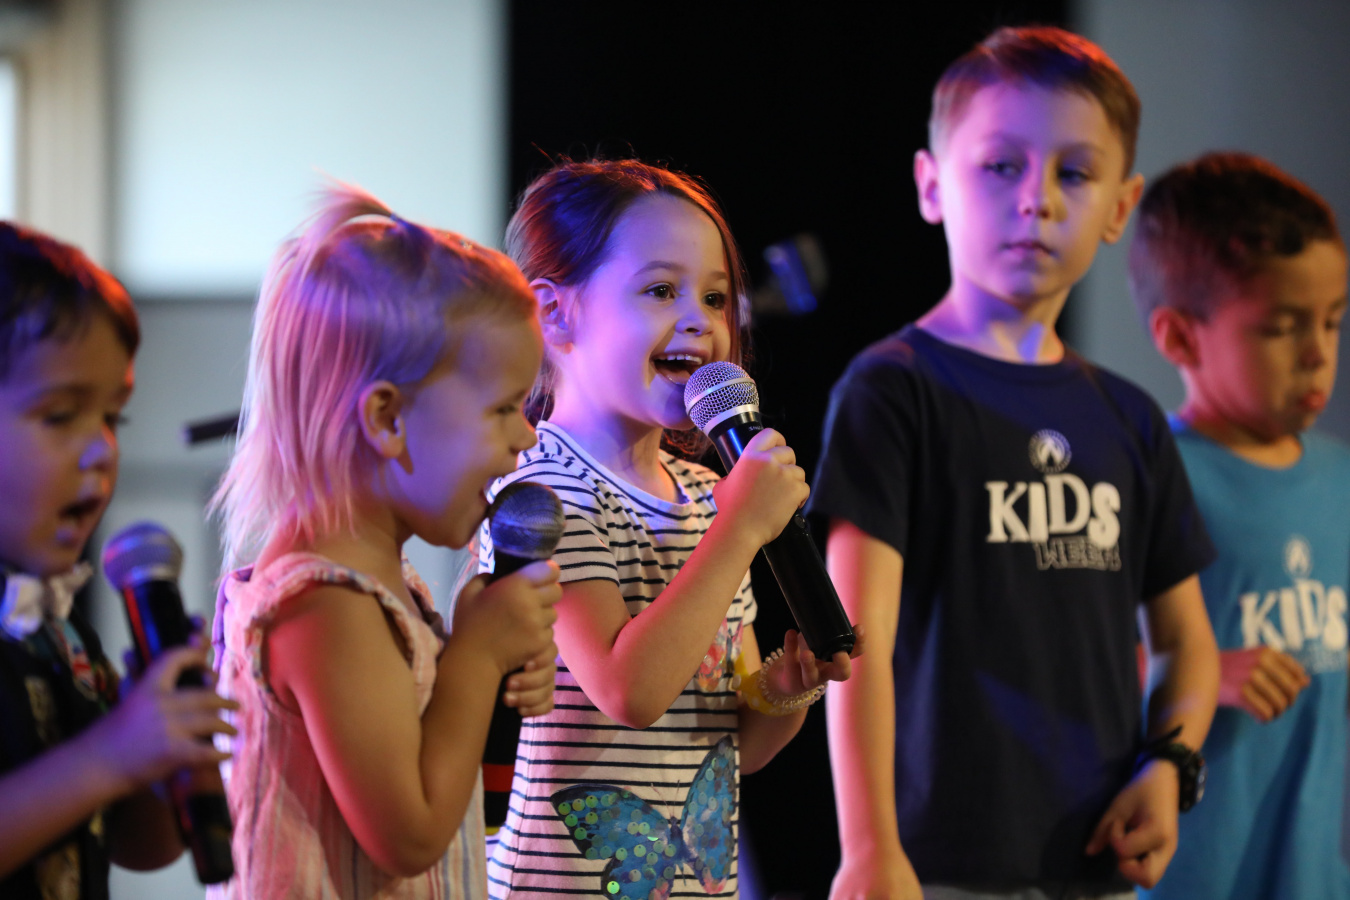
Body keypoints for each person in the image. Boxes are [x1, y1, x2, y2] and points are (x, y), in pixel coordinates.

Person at [811, 26, 1223, 900]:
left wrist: (1169, 766)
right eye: (1001, 166)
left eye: (1075, 173)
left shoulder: (1129, 418)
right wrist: (868, 846)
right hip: (935, 868)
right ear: (932, 184)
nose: (1036, 199)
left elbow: (1187, 643)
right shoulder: (894, 390)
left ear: (1120, 205)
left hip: (1096, 866)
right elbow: (855, 639)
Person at [477, 158, 860, 900]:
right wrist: (739, 530)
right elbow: (628, 689)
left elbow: (731, 744)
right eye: (660, 290)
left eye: (715, 297)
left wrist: (787, 691)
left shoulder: (710, 495)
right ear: (554, 314)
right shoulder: (542, 490)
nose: (700, 320)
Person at [208, 183, 561, 899]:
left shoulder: (382, 590)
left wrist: (486, 666)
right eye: (503, 409)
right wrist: (476, 658)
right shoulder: (323, 606)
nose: (526, 437)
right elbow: (409, 834)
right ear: (387, 419)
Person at [1129, 151, 1350, 900]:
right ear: (1181, 339)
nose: (1319, 354)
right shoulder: (1148, 476)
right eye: (1282, 328)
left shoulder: (1339, 478)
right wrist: (1202, 671)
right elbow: (1069, 670)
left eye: (1333, 321)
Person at [0, 221, 238, 898]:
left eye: (112, 418)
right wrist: (110, 755)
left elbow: (138, 846)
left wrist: (159, 753)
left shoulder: (57, 632)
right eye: (60, 415)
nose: (103, 450)